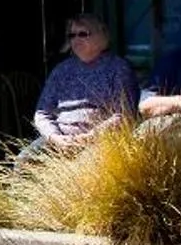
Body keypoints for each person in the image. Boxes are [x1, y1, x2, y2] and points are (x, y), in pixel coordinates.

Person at [30, 14, 139, 147]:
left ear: (101, 36)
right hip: (59, 140)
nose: (76, 39)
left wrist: (88, 138)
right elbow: (42, 112)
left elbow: (123, 116)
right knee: (24, 161)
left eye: (83, 34)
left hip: (99, 141)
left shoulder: (118, 68)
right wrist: (55, 137)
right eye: (72, 35)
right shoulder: (62, 70)